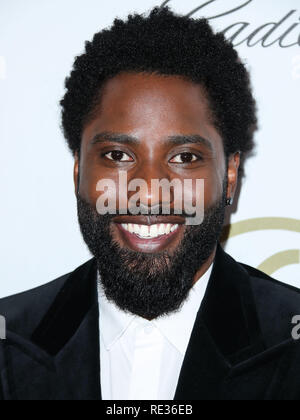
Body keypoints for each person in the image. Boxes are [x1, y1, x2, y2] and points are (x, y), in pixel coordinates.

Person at [1, 6, 300, 401]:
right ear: (78, 170)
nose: (149, 191)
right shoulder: (9, 341)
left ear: (229, 175)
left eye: (185, 157)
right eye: (118, 155)